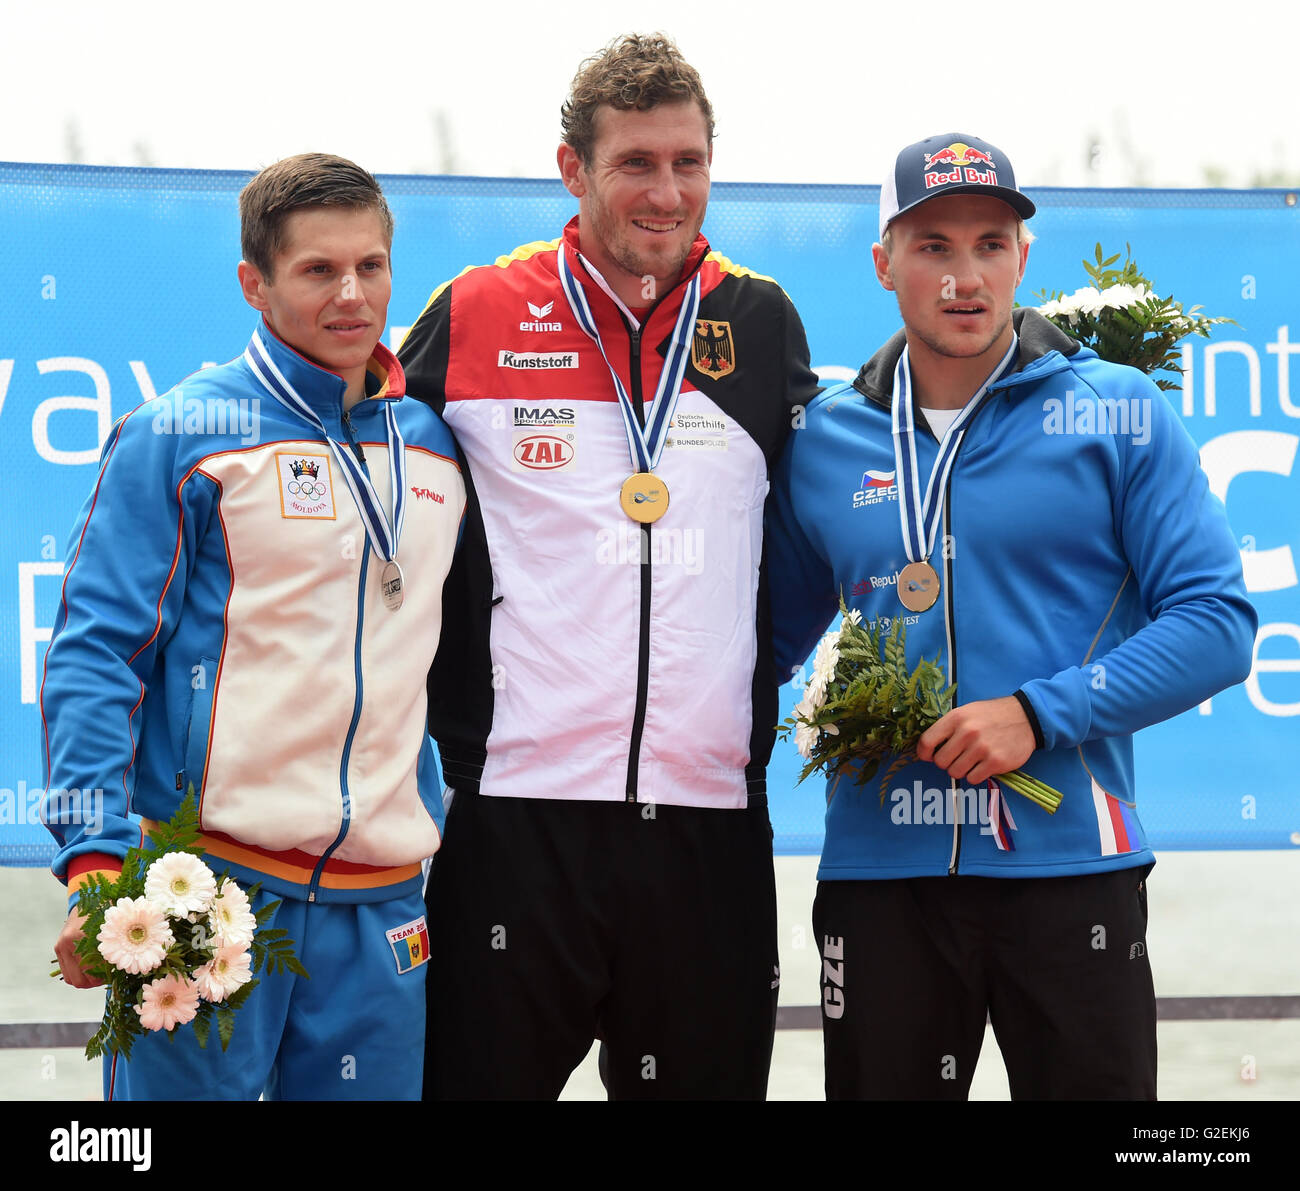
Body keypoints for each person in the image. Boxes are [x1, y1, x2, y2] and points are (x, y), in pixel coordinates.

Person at [766, 133, 1257, 1100]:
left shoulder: (1114, 412)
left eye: (990, 244)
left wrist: (1038, 712)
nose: (965, 276)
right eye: (933, 246)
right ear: (883, 263)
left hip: (1070, 864)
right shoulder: (825, 436)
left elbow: (1218, 623)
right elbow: (761, 643)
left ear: (1022, 258)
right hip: (880, 876)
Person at [398, 33, 821, 1100]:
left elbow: (862, 462)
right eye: (636, 162)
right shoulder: (478, 309)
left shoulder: (758, 320)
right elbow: (359, 472)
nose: (666, 192)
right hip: (513, 818)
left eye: (688, 161)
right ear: (572, 169)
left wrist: (1039, 352)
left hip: (707, 821)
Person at [43, 152, 466, 1100]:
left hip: (382, 905)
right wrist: (95, 866)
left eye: (372, 265)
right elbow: (94, 653)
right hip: (209, 891)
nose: (353, 294)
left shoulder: (436, 444)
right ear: (255, 283)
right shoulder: (183, 436)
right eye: (319, 269)